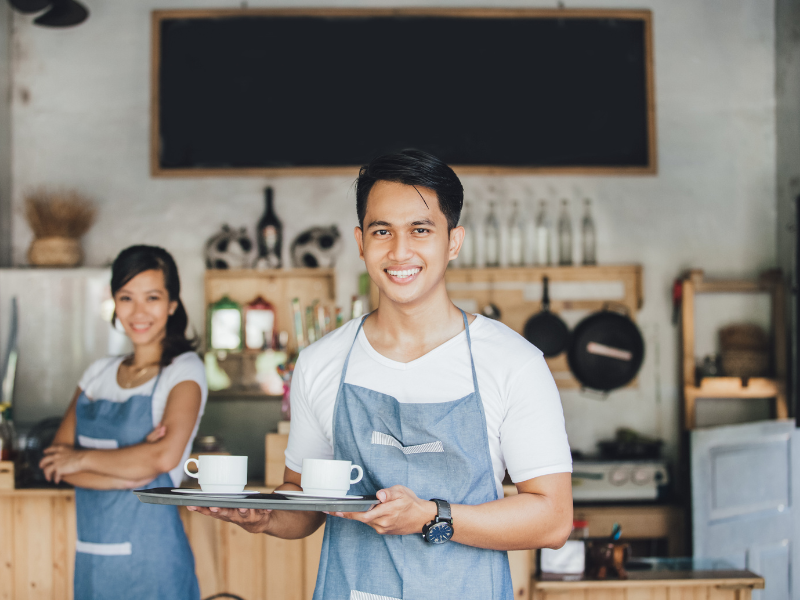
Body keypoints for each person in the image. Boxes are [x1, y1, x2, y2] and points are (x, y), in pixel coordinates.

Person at [189, 150, 573, 600]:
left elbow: (553, 519)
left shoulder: (512, 362)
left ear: (453, 241)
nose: (400, 251)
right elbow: (303, 501)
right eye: (382, 231)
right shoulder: (321, 362)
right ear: (360, 241)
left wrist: (431, 515)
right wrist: (265, 517)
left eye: (420, 230)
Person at [40, 245, 205, 600]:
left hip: (155, 563)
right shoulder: (97, 373)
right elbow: (57, 465)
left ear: (173, 303)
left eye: (153, 297)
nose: (139, 311)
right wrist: (131, 470)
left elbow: (162, 459)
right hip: (93, 560)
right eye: (127, 297)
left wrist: (82, 458)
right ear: (114, 301)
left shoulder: (184, 370)